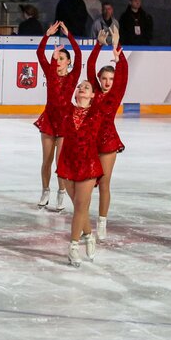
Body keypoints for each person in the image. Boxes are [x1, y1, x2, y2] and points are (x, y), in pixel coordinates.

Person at [57, 28, 127, 266]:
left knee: (81, 205)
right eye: (81, 87)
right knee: (79, 205)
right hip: (67, 162)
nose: (82, 88)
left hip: (89, 161)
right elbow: (81, 71)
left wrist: (118, 54)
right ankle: (88, 234)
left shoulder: (97, 110)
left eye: (86, 87)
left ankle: (74, 245)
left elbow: (121, 83)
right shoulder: (68, 109)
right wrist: (97, 45)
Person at [34, 21, 82, 211]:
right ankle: (45, 190)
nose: (59, 59)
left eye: (62, 57)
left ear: (68, 61)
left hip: (65, 122)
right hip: (49, 120)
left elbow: (78, 54)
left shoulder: (72, 76)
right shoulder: (50, 72)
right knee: (46, 159)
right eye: (58, 57)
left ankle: (61, 192)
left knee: (60, 161)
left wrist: (69, 35)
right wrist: (47, 35)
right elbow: (39, 53)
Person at [88, 29, 130, 241]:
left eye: (110, 78)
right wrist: (98, 45)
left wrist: (119, 54)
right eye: (104, 78)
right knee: (86, 183)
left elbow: (124, 75)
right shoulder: (93, 90)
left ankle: (102, 221)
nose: (107, 82)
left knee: (104, 183)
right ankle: (83, 217)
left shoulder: (115, 94)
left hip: (107, 142)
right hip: (88, 141)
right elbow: (89, 67)